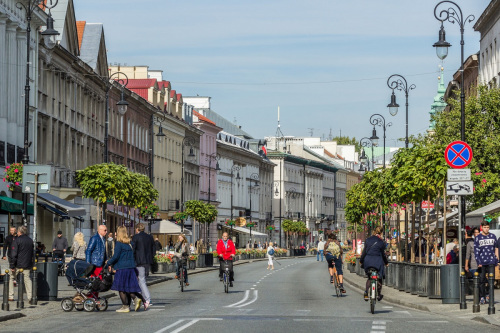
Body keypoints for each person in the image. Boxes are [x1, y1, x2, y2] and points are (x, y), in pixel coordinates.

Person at [106, 226, 145, 313]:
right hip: (131, 268)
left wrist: (108, 263)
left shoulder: (119, 244)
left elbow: (116, 257)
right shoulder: (130, 243)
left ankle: (125, 306)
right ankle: (135, 298)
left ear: (119, 233)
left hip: (122, 268)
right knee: (128, 286)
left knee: (121, 288)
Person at [360, 226, 388, 302]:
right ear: (381, 233)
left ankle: (366, 292)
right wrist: (386, 262)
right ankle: (379, 294)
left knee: (369, 277)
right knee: (380, 277)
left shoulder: (368, 240)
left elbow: (364, 252)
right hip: (377, 261)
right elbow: (383, 254)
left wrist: (361, 260)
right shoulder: (381, 242)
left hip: (368, 260)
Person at [474, 221, 499, 304]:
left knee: (491, 279)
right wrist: (478, 261)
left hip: (491, 260)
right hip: (482, 261)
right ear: (482, 228)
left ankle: (489, 295)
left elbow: (496, 248)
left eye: (487, 227)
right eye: (485, 227)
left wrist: (497, 259)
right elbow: (476, 251)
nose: (486, 229)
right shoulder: (478, 238)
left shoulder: (493, 236)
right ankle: (482, 296)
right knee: (481, 280)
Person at [132, 223, 155, 310]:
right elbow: (153, 248)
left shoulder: (136, 237)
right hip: (147, 261)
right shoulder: (149, 237)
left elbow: (133, 250)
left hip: (139, 261)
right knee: (141, 279)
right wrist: (151, 258)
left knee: (141, 280)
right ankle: (142, 297)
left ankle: (147, 299)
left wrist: (133, 260)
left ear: (137, 229)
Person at [9, 226, 34, 304]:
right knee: (27, 279)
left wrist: (12, 265)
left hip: (18, 265)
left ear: (20, 232)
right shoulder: (30, 240)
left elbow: (14, 254)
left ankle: (11, 296)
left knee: (11, 278)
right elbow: (32, 253)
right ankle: (30, 297)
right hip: (27, 264)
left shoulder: (17, 240)